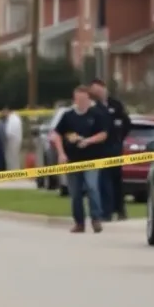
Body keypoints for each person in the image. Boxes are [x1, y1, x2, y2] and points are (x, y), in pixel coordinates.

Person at [50, 85, 110, 234]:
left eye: (83, 99)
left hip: (92, 159)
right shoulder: (68, 116)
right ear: (74, 99)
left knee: (92, 187)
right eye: (78, 99)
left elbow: (103, 134)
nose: (81, 102)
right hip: (73, 159)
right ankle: (79, 222)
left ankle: (96, 218)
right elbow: (56, 135)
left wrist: (88, 141)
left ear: (88, 99)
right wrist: (61, 153)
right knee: (75, 192)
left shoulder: (96, 114)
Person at [89, 78, 131, 221]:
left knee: (117, 180)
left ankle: (120, 210)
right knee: (104, 181)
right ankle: (106, 212)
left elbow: (126, 123)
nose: (98, 93)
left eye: (99, 89)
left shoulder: (116, 105)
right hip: (101, 150)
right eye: (94, 91)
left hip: (115, 148)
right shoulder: (94, 107)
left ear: (104, 88)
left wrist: (120, 140)